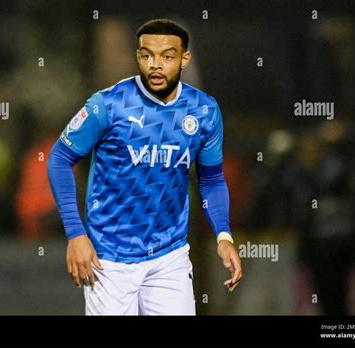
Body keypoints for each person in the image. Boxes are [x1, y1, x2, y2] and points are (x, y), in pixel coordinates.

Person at [47, 18, 242, 315]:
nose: (155, 65)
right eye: (146, 55)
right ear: (138, 56)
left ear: (184, 58)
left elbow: (212, 180)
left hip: (170, 256)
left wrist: (223, 235)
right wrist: (76, 234)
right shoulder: (108, 106)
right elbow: (59, 159)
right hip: (109, 258)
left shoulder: (203, 111)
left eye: (167, 56)